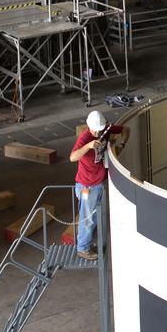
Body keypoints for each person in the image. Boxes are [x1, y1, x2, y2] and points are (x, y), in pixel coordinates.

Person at [68, 110, 127, 260]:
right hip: (86, 187)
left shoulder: (105, 130)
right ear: (89, 126)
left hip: (98, 184)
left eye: (100, 129)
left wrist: (122, 145)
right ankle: (82, 248)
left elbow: (125, 129)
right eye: (95, 129)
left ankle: (85, 244)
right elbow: (72, 157)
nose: (97, 132)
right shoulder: (84, 138)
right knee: (87, 218)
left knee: (93, 218)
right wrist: (88, 146)